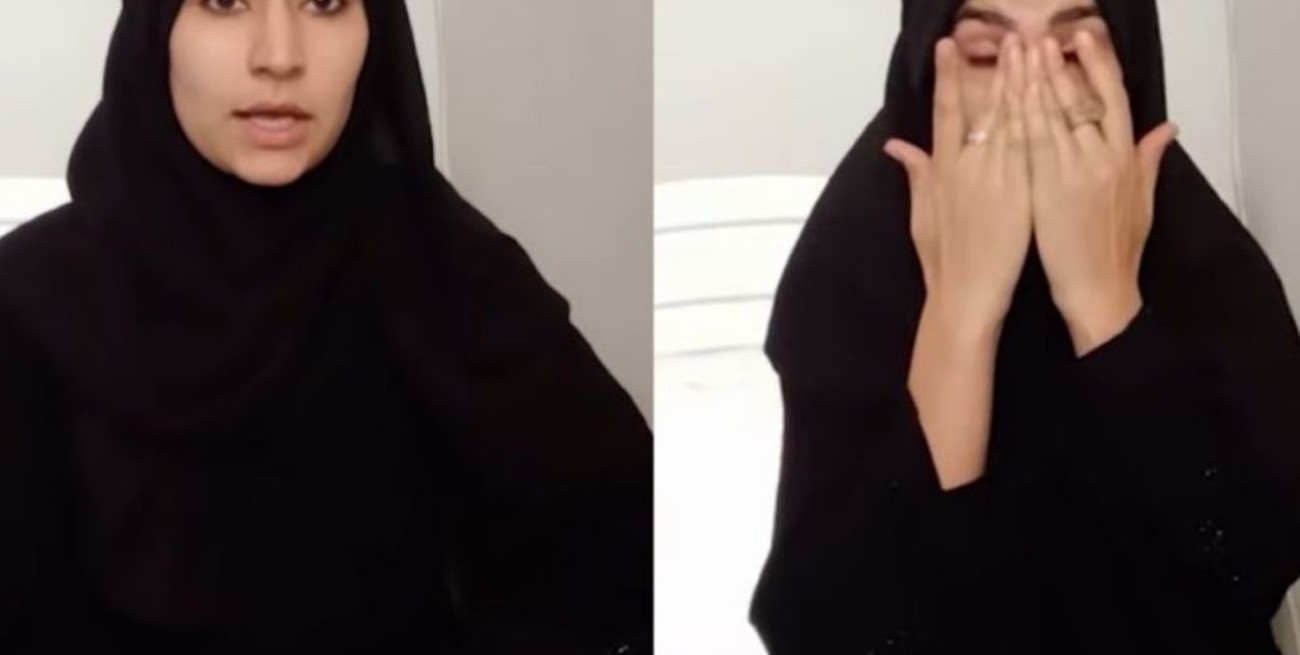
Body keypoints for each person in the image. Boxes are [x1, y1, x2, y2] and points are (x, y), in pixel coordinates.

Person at [0, 1, 651, 653]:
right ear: (156, 33)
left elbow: (620, 541)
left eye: (325, 4)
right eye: (225, 3)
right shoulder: (30, 298)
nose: (280, 56)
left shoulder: (451, 272)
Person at [751, 0, 1300, 652]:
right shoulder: (853, 265)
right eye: (987, 55)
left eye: (1071, 54)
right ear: (926, 75)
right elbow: (836, 628)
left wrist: (1103, 301)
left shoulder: (1202, 265)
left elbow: (1248, 571)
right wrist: (961, 312)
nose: (1031, 92)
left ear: (1129, 71)